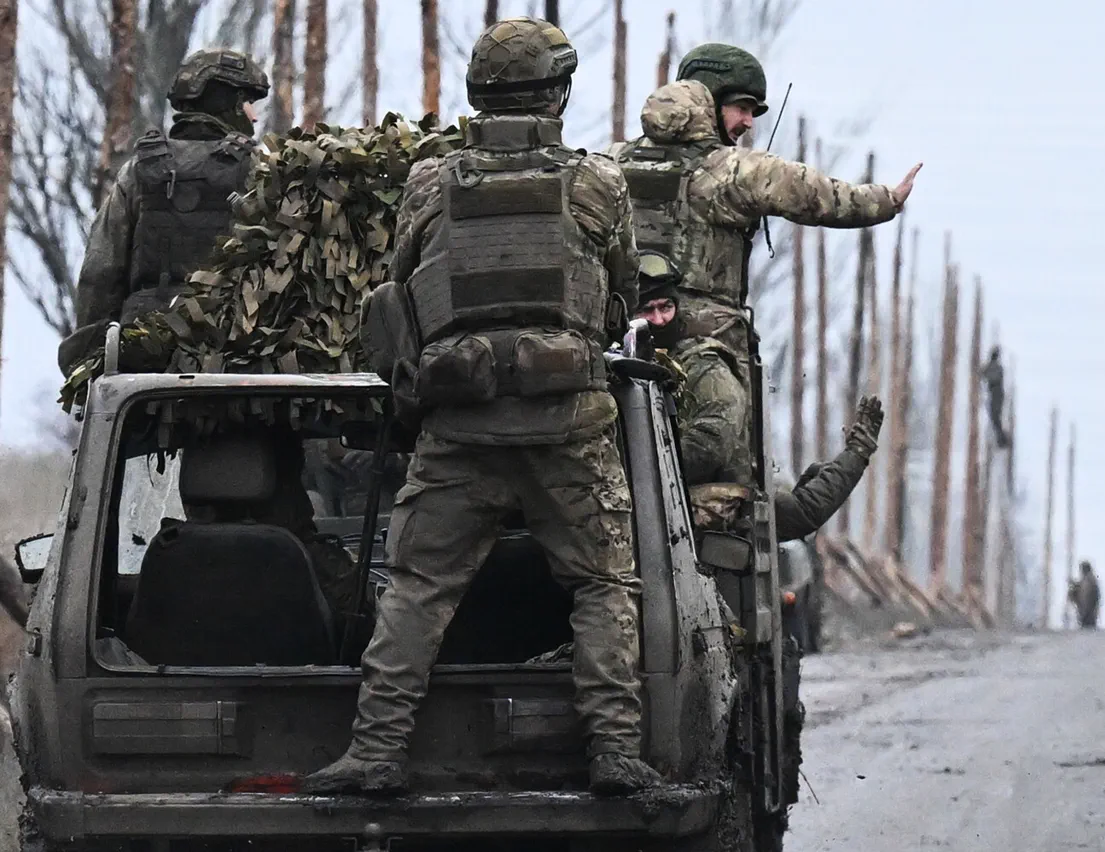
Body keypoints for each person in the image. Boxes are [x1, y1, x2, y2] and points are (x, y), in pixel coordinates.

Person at [304, 17, 658, 797]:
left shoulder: (430, 182)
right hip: (569, 426)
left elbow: (401, 287)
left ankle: (376, 753)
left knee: (418, 588)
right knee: (602, 586)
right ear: (557, 92)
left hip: (458, 425)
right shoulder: (599, 182)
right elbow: (617, 303)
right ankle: (616, 755)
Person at [606, 44, 920, 367]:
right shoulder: (729, 172)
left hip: (621, 341)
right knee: (720, 412)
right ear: (709, 102)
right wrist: (887, 200)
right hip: (705, 351)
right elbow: (814, 195)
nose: (748, 123)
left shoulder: (613, 159)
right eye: (741, 107)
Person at [633, 251, 882, 541]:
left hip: (703, 520)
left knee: (799, 514)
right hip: (648, 507)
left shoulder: (703, 366)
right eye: (647, 311)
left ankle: (858, 452)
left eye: (666, 307)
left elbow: (713, 442)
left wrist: (642, 471)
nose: (660, 319)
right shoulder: (618, 360)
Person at [60, 48, 270, 377]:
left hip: (144, 364)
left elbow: (100, 274)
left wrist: (88, 363)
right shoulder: (261, 171)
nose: (254, 118)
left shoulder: (139, 171)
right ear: (229, 102)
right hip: (236, 364)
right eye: (249, 104)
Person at [981, 346, 1010, 449]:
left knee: (995, 418)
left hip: (997, 395)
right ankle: (1001, 440)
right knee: (995, 418)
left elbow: (986, 375)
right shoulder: (995, 367)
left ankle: (1003, 441)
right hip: (996, 395)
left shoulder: (996, 367)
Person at [1069, 560, 1100, 629]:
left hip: (1089, 612)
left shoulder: (1090, 581)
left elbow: (1092, 597)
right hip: (1084, 611)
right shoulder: (1086, 581)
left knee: (1088, 628)